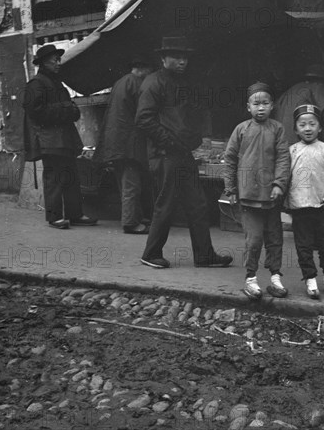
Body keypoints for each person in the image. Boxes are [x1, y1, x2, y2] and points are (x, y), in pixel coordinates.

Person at [135, 36, 233, 269]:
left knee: (197, 204)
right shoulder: (153, 83)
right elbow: (143, 120)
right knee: (166, 204)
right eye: (176, 57)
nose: (182, 61)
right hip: (165, 154)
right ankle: (151, 254)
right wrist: (170, 142)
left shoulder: (181, 82)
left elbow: (184, 117)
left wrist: (192, 138)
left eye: (185, 57)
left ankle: (204, 255)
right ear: (163, 58)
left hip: (182, 153)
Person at [223, 82, 290, 300]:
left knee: (274, 238)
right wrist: (231, 188)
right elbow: (230, 159)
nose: (261, 108)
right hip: (249, 196)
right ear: (248, 107)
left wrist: (279, 184)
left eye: (265, 103)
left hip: (271, 195)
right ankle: (250, 279)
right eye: (256, 103)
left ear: (272, 106)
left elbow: (283, 157)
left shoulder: (277, 129)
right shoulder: (241, 129)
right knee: (253, 240)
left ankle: (275, 277)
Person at [22, 44, 97, 229]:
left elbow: (70, 108)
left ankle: (75, 214)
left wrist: (69, 109)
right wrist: (66, 109)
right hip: (49, 140)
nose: (58, 63)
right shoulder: (36, 83)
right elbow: (35, 111)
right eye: (54, 60)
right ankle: (54, 217)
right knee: (54, 178)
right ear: (43, 63)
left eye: (58, 60)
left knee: (71, 176)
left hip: (63, 139)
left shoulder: (56, 83)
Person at [286, 104, 324, 298]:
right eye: (302, 124)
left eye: (312, 124)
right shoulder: (292, 152)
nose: (307, 128)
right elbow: (283, 177)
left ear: (320, 127)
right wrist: (286, 200)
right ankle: (310, 279)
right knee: (303, 246)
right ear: (295, 129)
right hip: (300, 207)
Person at [94, 55, 153, 234]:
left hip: (116, 142)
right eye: (150, 70)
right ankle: (130, 222)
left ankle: (134, 216)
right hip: (129, 143)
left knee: (125, 183)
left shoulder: (121, 82)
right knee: (131, 184)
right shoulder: (137, 84)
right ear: (142, 68)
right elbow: (143, 114)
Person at [272, 64, 324, 148]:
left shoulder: (288, 92)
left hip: (282, 145)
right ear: (323, 80)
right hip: (303, 145)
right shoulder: (318, 87)